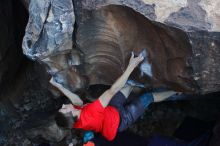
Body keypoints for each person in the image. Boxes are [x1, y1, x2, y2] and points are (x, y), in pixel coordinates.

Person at [50, 52, 178, 141]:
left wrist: (59, 86)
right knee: (147, 97)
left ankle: (146, 78)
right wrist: (131, 66)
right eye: (64, 109)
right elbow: (112, 90)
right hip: (121, 120)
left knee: (130, 84)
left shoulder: (74, 122)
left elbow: (77, 102)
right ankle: (176, 91)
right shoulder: (91, 112)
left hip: (111, 109)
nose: (63, 105)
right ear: (71, 113)